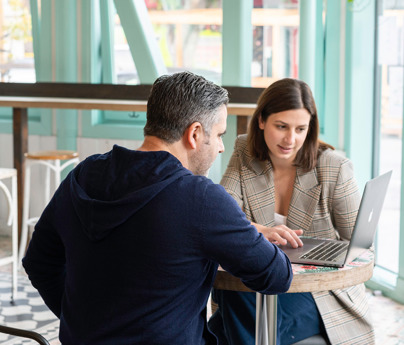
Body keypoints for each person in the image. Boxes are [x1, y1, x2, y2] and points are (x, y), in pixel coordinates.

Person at [22, 71, 294, 345]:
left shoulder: (83, 175)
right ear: (195, 134)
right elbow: (277, 276)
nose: (222, 147)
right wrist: (247, 233)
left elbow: (38, 262)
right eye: (220, 134)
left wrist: (80, 323)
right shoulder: (200, 198)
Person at [208, 78, 375, 345]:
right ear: (261, 120)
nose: (291, 139)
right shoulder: (244, 150)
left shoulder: (334, 167)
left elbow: (362, 248)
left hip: (318, 293)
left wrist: (318, 262)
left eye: (301, 129)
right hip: (260, 279)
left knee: (225, 320)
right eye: (281, 126)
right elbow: (220, 217)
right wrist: (261, 231)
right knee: (238, 294)